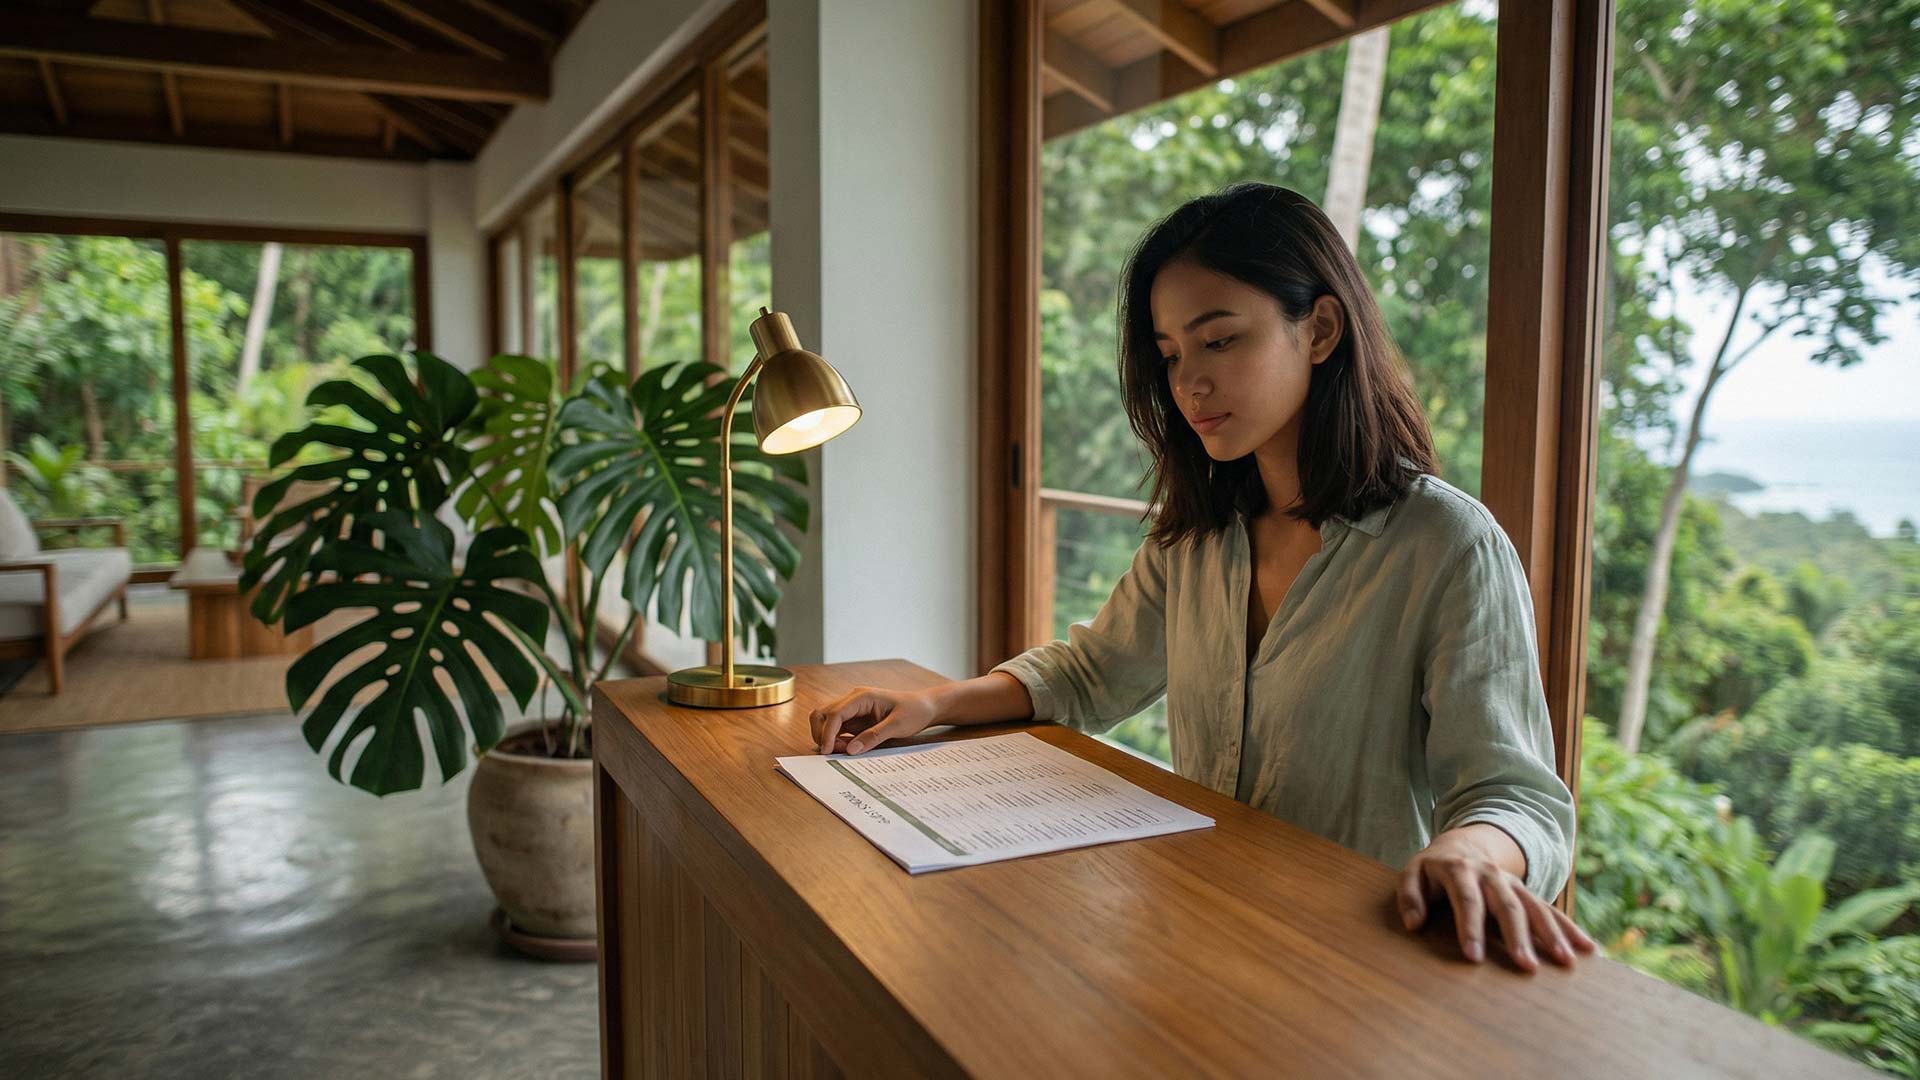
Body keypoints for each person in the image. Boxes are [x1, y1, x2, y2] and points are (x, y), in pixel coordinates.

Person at [810, 182, 1596, 973]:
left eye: (1219, 341)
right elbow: (1087, 676)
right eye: (1172, 355)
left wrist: (1469, 853)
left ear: (1320, 329)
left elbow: (1519, 799)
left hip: (1358, 968)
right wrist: (930, 703)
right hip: (1201, 934)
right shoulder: (1197, 539)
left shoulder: (1446, 545)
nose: (1189, 383)